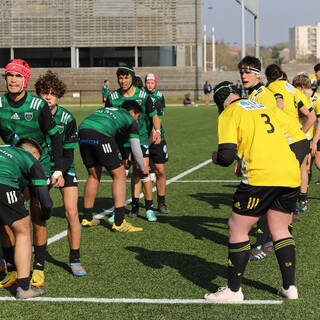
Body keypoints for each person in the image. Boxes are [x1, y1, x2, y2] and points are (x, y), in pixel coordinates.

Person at [205, 81, 301, 301]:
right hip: (290, 172)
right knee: (280, 229)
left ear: (221, 102)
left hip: (262, 175)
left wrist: (217, 159)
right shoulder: (260, 106)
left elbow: (226, 155)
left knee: (237, 227)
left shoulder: (229, 113)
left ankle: (234, 290)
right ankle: (289, 287)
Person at [0, 59, 64, 289]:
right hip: (13, 168)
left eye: (17, 76)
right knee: (6, 219)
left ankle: (38, 267)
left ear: (25, 80)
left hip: (39, 166)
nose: (13, 80)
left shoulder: (38, 105)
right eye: (9, 76)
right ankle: (13, 268)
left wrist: (57, 169)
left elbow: (55, 136)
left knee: (38, 215)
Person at [238, 56, 309, 261]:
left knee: (266, 191)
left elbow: (267, 122)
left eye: (248, 71)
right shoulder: (255, 94)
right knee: (274, 193)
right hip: (290, 142)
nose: (244, 75)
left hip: (293, 143)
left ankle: (264, 244)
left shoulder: (263, 94)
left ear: (258, 74)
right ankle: (280, 235)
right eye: (241, 72)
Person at [35, 71, 86, 276]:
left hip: (64, 168)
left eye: (53, 93)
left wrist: (59, 172)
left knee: (72, 212)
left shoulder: (67, 118)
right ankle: (37, 257)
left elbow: (68, 152)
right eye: (44, 92)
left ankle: (75, 259)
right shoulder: (35, 114)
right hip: (40, 168)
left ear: (59, 96)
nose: (48, 97)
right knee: (38, 213)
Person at [78, 100, 147, 232]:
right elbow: (136, 148)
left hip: (82, 131)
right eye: (137, 117)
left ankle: (87, 218)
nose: (137, 121)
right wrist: (143, 168)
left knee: (93, 175)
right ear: (132, 113)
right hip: (100, 133)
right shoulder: (129, 119)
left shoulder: (109, 110)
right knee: (120, 175)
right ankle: (119, 222)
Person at [106, 66, 161, 222]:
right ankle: (121, 209)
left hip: (140, 138)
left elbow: (153, 115)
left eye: (126, 78)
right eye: (120, 78)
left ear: (131, 78)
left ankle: (149, 208)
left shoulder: (143, 96)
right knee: (120, 175)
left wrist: (156, 131)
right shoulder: (113, 97)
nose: (123, 81)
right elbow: (108, 118)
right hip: (120, 141)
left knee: (143, 171)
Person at [0, 138, 53, 299]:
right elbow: (45, 200)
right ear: (33, 153)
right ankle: (23, 287)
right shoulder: (30, 159)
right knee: (22, 231)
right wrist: (47, 214)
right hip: (4, 183)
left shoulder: (5, 150)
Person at [266, 64, 316, 220]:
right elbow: (311, 117)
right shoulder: (293, 89)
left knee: (280, 174)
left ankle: (285, 210)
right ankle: (297, 203)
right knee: (299, 170)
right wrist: (302, 133)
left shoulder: (271, 88)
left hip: (283, 136)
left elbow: (277, 108)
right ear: (281, 75)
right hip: (299, 138)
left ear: (267, 77)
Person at [144, 73, 169, 214]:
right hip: (143, 136)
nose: (150, 85)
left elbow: (161, 115)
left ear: (156, 83)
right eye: (148, 83)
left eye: (152, 83)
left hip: (158, 136)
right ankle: (142, 204)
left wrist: (156, 130)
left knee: (161, 170)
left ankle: (161, 202)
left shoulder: (159, 96)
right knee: (142, 171)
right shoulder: (142, 96)